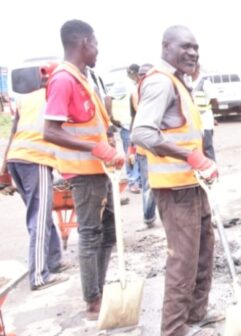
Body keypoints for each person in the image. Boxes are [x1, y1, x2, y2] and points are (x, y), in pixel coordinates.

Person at [131, 25, 219, 336]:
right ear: (166, 47)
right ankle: (173, 330)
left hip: (191, 183)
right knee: (183, 257)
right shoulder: (159, 82)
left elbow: (187, 132)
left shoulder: (180, 82)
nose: (193, 53)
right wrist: (191, 157)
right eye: (185, 47)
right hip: (174, 187)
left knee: (204, 250)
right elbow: (142, 133)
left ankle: (196, 313)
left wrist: (204, 160)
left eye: (196, 47)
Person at [43, 20, 125, 320]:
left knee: (109, 233)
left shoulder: (82, 78)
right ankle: (93, 299)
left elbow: (90, 124)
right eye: (96, 45)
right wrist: (95, 148)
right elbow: (50, 130)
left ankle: (98, 288)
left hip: (99, 169)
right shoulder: (64, 79)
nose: (98, 51)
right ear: (84, 42)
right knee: (91, 234)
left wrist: (109, 142)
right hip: (84, 172)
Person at [1, 62, 70, 290]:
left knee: (40, 214)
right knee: (39, 220)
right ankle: (39, 276)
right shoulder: (53, 96)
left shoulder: (24, 98)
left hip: (16, 160)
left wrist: (4, 168)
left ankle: (54, 261)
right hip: (35, 159)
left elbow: (13, 132)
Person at [128, 63, 157, 228]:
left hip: (160, 150)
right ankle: (148, 218)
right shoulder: (135, 94)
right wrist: (131, 149)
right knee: (147, 186)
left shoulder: (160, 92)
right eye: (141, 75)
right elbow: (135, 122)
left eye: (147, 75)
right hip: (143, 150)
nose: (143, 78)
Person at [111, 63, 141, 193]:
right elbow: (108, 97)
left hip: (137, 125)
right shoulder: (123, 84)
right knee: (131, 154)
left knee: (138, 154)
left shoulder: (137, 85)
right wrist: (111, 118)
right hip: (127, 126)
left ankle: (138, 180)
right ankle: (132, 181)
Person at [189, 61, 217, 161]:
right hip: (193, 121)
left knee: (207, 147)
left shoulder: (205, 82)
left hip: (205, 120)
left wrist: (211, 115)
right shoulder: (187, 82)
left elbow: (214, 101)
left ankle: (212, 171)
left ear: (197, 68)